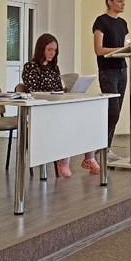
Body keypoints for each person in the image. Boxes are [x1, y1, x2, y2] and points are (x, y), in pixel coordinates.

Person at [22, 33, 100, 176]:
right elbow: (33, 90)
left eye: (55, 50)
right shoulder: (30, 66)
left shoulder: (54, 67)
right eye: (49, 49)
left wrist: (68, 90)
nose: (52, 53)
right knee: (68, 121)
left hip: (57, 105)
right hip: (42, 108)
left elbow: (58, 88)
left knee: (88, 119)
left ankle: (89, 158)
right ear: (41, 49)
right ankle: (64, 160)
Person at [93, 0, 128, 163]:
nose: (123, 4)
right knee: (112, 111)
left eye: (124, 1)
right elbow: (98, 50)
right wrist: (120, 49)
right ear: (110, 2)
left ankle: (106, 148)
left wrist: (127, 49)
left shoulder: (123, 23)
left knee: (117, 111)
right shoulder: (101, 22)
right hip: (108, 71)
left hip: (122, 69)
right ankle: (100, 148)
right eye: (119, 1)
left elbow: (123, 47)